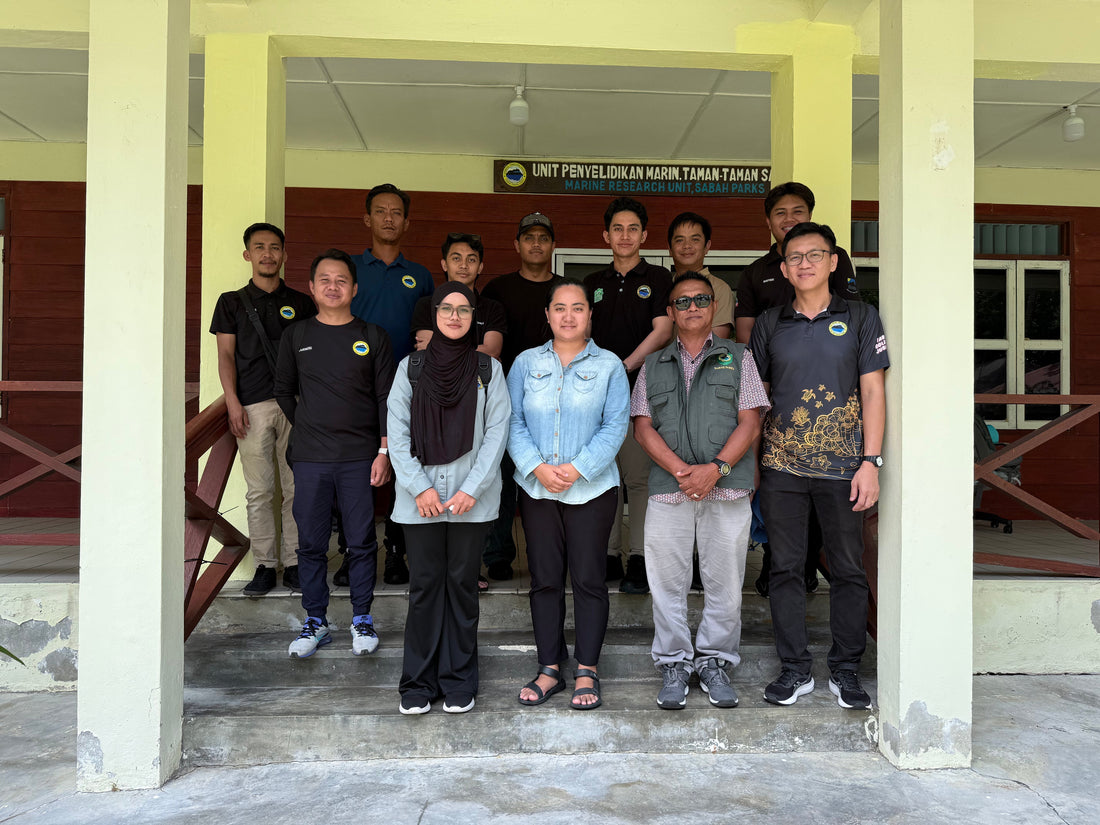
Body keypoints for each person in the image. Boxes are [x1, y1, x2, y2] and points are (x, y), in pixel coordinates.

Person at [748, 222, 888, 710]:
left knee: (848, 569)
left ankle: (846, 670)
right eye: (795, 257)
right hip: (782, 467)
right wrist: (752, 467)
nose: (804, 263)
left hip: (845, 467)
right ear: (784, 268)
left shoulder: (861, 317)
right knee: (786, 568)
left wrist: (871, 461)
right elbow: (757, 397)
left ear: (833, 261)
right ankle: (794, 669)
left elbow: (873, 390)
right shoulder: (770, 322)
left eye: (815, 254)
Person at [632, 272, 769, 709]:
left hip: (726, 488)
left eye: (701, 300)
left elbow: (751, 420)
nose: (693, 307)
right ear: (670, 312)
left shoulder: (740, 356)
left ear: (713, 308)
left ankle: (714, 661)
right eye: (683, 301)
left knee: (725, 581)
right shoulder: (654, 364)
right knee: (666, 583)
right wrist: (681, 472)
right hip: (669, 490)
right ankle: (674, 662)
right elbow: (642, 427)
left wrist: (717, 468)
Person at [388, 283, 511, 715]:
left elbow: (498, 434)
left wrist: (469, 491)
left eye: (463, 309)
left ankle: (458, 680)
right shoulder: (411, 368)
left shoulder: (488, 370)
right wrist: (419, 487)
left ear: (474, 316)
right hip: (416, 499)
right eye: (446, 308)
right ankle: (418, 682)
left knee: (461, 589)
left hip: (469, 500)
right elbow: (396, 432)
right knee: (424, 589)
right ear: (435, 314)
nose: (454, 316)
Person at [735, 181, 861, 599]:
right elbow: (749, 334)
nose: (789, 219)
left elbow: (849, 327)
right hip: (780, 395)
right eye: (780, 213)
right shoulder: (757, 272)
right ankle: (778, 566)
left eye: (797, 211)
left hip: (832, 407)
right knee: (781, 498)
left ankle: (809, 568)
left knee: (827, 516)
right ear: (768, 223)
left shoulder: (835, 264)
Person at [508, 280, 629, 710]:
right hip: (536, 488)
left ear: (589, 315)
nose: (568, 316)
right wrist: (538, 468)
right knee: (544, 580)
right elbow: (512, 422)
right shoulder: (525, 363)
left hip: (592, 488)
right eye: (560, 308)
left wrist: (577, 469)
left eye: (578, 308)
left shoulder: (610, 365)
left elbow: (616, 425)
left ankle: (587, 669)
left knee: (589, 580)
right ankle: (549, 669)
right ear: (547, 314)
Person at [274, 249, 395, 659]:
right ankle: (316, 620)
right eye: (324, 279)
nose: (332, 286)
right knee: (310, 542)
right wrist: (310, 423)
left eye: (341, 280)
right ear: (311, 287)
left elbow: (385, 398)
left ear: (354, 288)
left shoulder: (373, 336)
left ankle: (362, 618)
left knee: (361, 541)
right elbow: (284, 391)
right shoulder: (297, 335)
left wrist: (383, 451)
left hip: (359, 456)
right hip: (309, 456)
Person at [209, 222, 316, 596]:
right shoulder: (231, 302)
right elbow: (224, 355)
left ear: (284, 255)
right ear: (248, 254)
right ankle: (265, 565)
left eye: (274, 248)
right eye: (259, 247)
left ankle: (297, 562)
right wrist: (232, 401)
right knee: (259, 492)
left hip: (297, 406)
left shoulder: (302, 303)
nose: (267, 254)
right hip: (251, 405)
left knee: (296, 488)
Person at [584, 197, 673, 595]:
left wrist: (625, 365)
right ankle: (607, 554)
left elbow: (662, 329)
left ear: (644, 235)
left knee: (638, 478)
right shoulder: (592, 284)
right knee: (604, 477)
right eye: (617, 229)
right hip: (597, 395)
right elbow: (579, 335)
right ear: (606, 235)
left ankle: (638, 556)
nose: (625, 235)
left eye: (632, 229)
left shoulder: (658, 278)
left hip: (642, 389)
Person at [348, 183, 434, 587]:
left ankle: (396, 551)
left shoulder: (420, 276)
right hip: (353, 389)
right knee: (356, 473)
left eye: (396, 212)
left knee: (404, 469)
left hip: (409, 391)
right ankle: (355, 551)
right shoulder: (349, 270)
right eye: (380, 211)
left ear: (406, 222)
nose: (388, 218)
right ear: (367, 219)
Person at [479, 213, 563, 583]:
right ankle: (498, 554)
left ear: (553, 245)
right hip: (502, 397)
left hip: (554, 401)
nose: (536, 243)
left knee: (546, 477)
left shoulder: (563, 290)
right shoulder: (497, 290)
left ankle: (548, 555)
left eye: (543, 237)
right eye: (528, 237)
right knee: (500, 480)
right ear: (517, 245)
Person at [410, 233, 506, 359]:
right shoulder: (426, 305)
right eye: (456, 258)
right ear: (444, 264)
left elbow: (492, 351)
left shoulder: (492, 308)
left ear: (480, 268)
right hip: (435, 377)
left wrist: (441, 347)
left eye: (471, 260)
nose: (464, 265)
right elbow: (425, 350)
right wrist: (476, 350)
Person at [667, 212, 734, 339]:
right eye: (679, 240)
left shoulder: (720, 289)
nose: (687, 246)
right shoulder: (664, 286)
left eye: (695, 239)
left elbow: (717, 340)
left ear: (707, 246)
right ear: (670, 249)